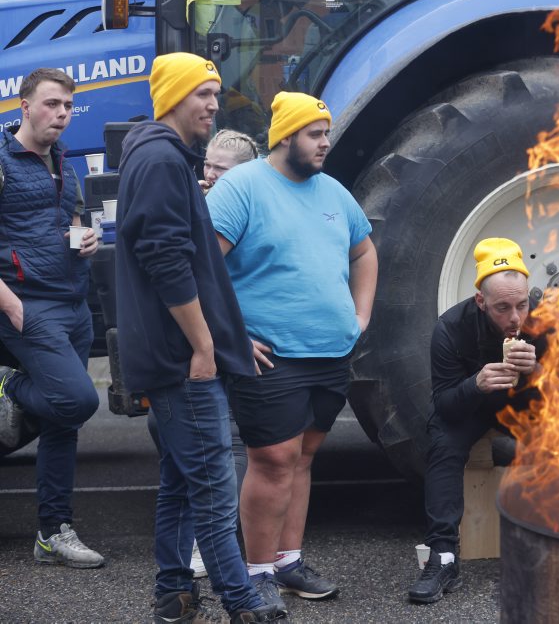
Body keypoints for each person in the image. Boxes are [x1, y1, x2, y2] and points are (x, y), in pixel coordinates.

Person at [115, 52, 283, 622]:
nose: (213, 104)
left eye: (215, 93)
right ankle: (243, 604)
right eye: (201, 94)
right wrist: (205, 345)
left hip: (168, 354)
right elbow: (166, 259)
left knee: (181, 482)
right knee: (214, 486)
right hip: (183, 357)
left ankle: (173, 592)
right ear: (172, 98)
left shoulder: (154, 154)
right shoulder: (162, 160)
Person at [206, 91, 377, 614]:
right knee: (274, 460)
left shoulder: (332, 191)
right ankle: (254, 573)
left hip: (330, 353)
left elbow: (364, 249)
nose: (325, 142)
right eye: (314, 134)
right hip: (271, 355)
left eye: (325, 133)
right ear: (286, 137)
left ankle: (287, 561)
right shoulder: (243, 187)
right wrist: (230, 335)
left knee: (302, 458)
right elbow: (204, 266)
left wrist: (360, 317)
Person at [0, 67, 104, 569]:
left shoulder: (64, 159)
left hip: (73, 303)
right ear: (24, 106)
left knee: (65, 421)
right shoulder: (1, 160)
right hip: (27, 304)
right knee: (77, 399)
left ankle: (52, 532)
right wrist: (12, 306)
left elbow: (76, 220)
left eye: (67, 105)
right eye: (51, 104)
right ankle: (7, 386)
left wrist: (88, 238)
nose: (61, 113)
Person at [145, 127, 259, 579]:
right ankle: (194, 541)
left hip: (232, 340)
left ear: (244, 175)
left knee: (226, 441)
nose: (208, 174)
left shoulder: (239, 204)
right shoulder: (195, 198)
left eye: (220, 169)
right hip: (200, 339)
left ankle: (213, 543)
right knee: (168, 428)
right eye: (206, 164)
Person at [408, 237, 540, 604]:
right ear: (481, 302)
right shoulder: (450, 328)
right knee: (443, 441)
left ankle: (556, 539)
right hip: (471, 408)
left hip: (523, 404)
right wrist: (475, 384)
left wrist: (538, 370)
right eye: (502, 308)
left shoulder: (544, 320)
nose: (515, 318)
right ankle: (443, 556)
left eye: (521, 305)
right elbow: (445, 406)